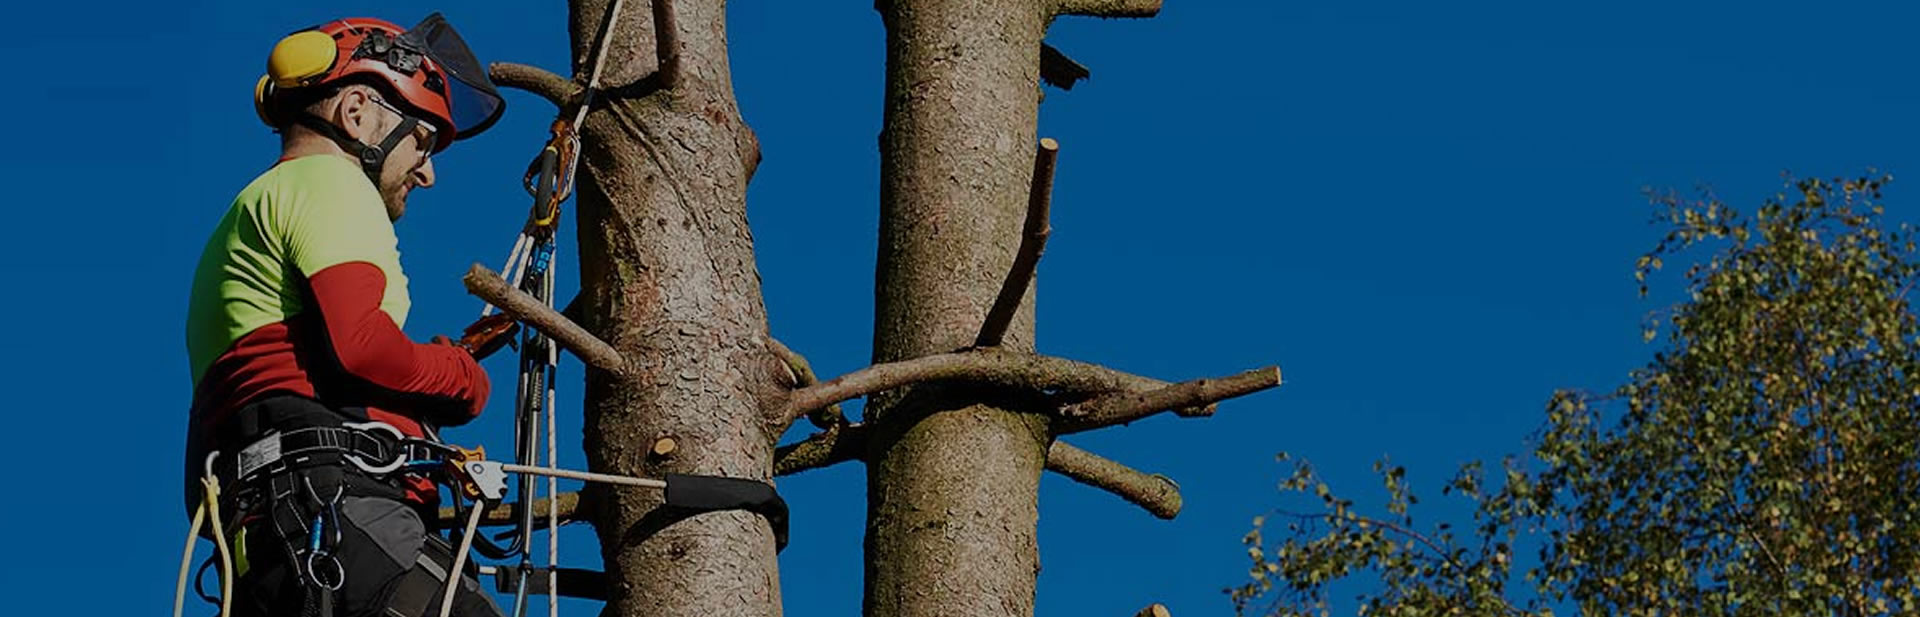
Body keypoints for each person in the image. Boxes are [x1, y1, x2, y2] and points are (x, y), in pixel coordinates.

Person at [184, 14, 513, 617]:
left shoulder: (253, 210)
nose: (429, 172)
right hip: (331, 512)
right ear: (357, 111)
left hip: (277, 536)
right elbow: (363, 346)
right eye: (423, 140)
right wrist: (460, 377)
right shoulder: (328, 180)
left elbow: (306, 368)